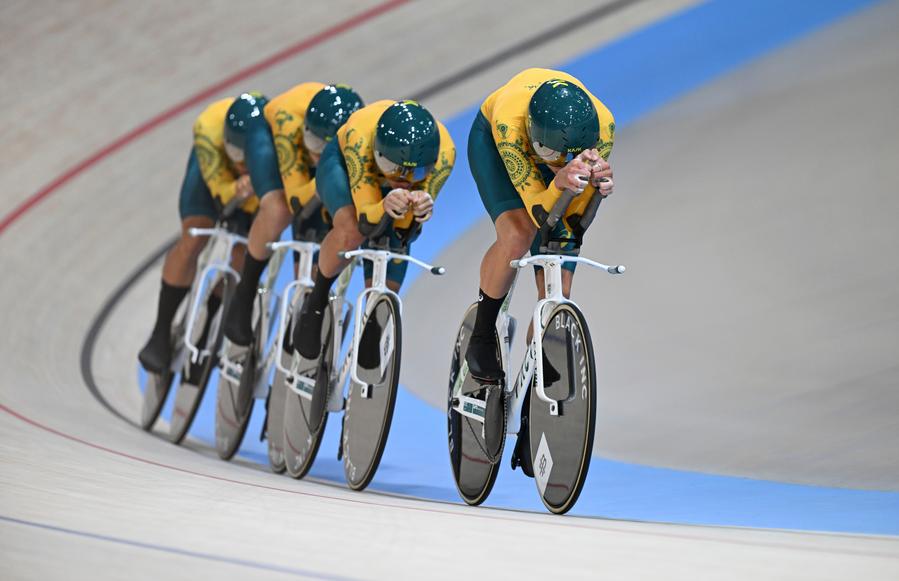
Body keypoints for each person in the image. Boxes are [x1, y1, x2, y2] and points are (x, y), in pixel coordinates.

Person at [464, 68, 616, 384]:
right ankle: (481, 335)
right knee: (518, 234)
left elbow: (572, 221)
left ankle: (533, 385)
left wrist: (594, 194)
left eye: (570, 155)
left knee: (559, 283)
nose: (559, 160)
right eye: (551, 153)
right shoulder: (510, 122)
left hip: (545, 148)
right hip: (496, 145)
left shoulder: (603, 127)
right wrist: (558, 180)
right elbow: (537, 212)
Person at [291, 99, 455, 368]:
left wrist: (422, 207)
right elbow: (367, 220)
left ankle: (376, 318)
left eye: (418, 172)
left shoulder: (445, 154)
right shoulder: (359, 137)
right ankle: (317, 300)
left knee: (399, 233)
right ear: (378, 152)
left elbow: (410, 231)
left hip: (383, 173)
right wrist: (384, 203)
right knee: (351, 229)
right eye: (393, 167)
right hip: (343, 168)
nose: (402, 178)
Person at [222, 83, 364, 352]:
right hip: (270, 141)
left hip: (332, 155)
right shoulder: (289, 125)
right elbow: (298, 199)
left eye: (324, 150)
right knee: (279, 208)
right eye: (314, 145)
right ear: (306, 134)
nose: (317, 155)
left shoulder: (357, 138)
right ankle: (246, 290)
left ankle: (306, 308)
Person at [138, 92, 267, 374]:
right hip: (212, 176)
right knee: (196, 236)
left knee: (247, 249)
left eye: (248, 158)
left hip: (257, 181)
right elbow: (221, 190)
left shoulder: (271, 148)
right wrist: (236, 188)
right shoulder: (209, 127)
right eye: (236, 155)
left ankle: (212, 313)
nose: (241, 164)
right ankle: (161, 331)